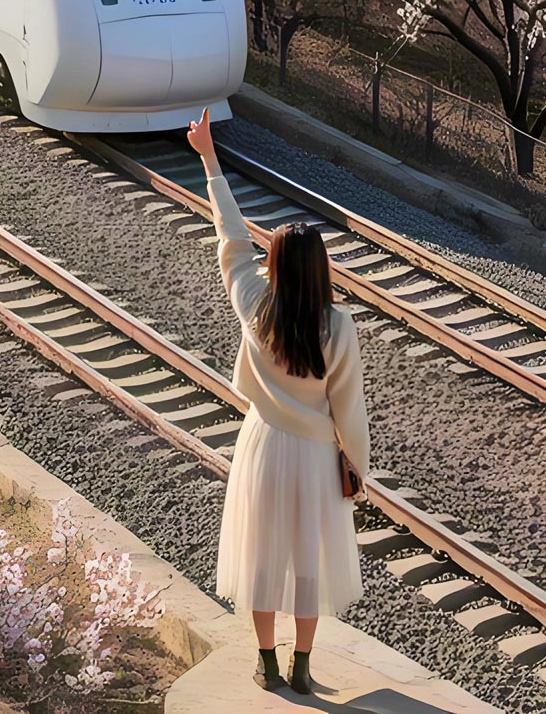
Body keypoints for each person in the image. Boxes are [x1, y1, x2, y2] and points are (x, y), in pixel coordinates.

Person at [189, 107, 369, 696]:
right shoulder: (338, 326)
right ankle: (302, 666)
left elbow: (231, 240)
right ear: (320, 270)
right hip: (317, 458)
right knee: (310, 561)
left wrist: (211, 160)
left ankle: (265, 662)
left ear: (274, 268)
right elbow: (350, 410)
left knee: (264, 556)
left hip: (263, 446)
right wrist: (356, 468)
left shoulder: (255, 307)